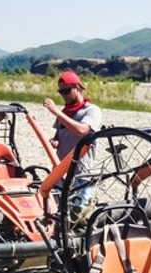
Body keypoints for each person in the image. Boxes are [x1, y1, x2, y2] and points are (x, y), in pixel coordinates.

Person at [43, 70, 102, 208]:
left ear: (77, 88)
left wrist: (55, 112)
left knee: (78, 212)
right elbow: (58, 135)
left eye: (67, 91)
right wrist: (55, 141)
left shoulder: (91, 110)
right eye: (61, 92)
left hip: (81, 174)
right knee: (57, 212)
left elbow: (82, 130)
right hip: (60, 171)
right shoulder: (65, 113)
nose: (64, 95)